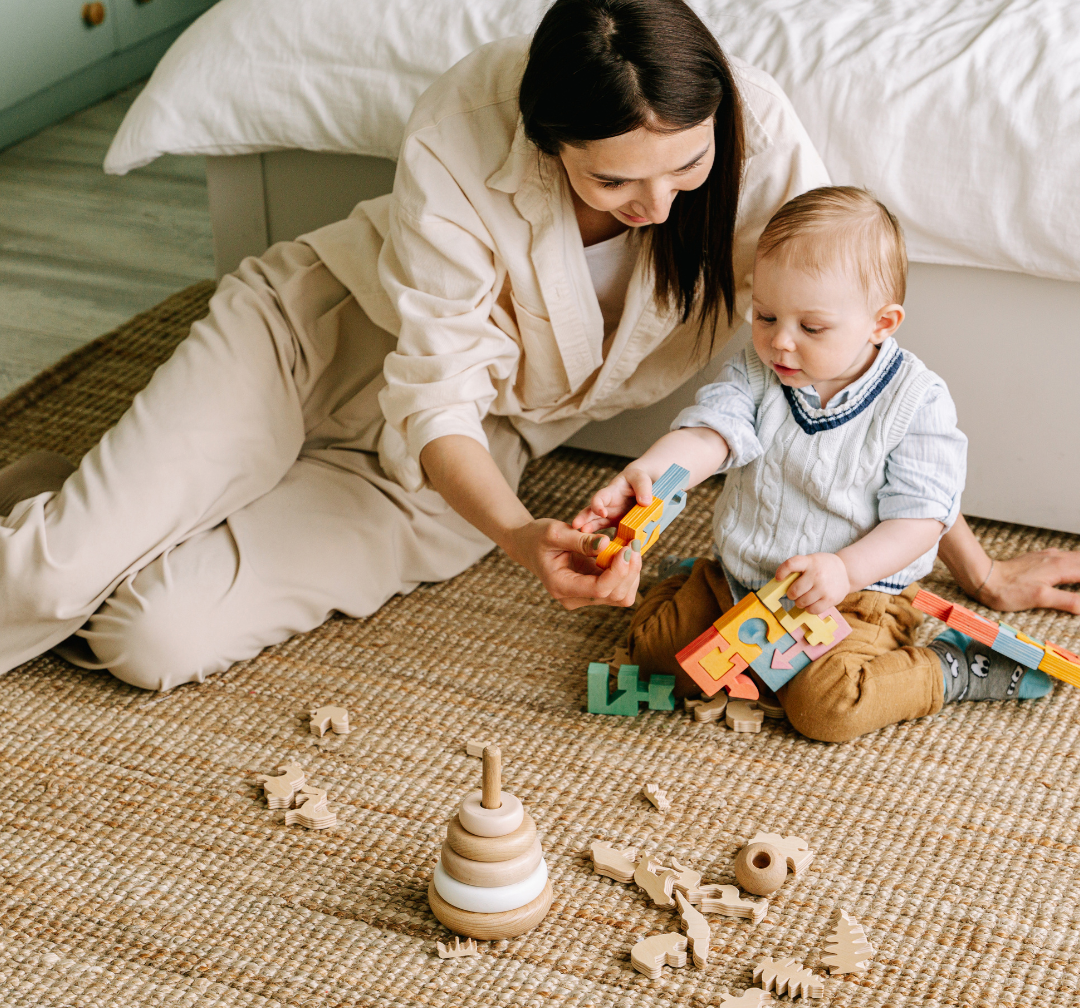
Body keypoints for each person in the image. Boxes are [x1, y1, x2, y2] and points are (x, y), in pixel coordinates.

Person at [0, 1, 1073, 692]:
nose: (657, 204)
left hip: (462, 460)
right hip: (314, 347)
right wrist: (520, 539)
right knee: (52, 578)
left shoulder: (756, 147)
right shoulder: (464, 125)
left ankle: (92, 496)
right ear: (548, 139)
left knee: (150, 642)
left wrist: (982, 575)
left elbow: (875, 392)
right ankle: (98, 517)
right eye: (613, 179)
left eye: (684, 169)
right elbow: (434, 399)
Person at [575, 187, 1057, 742]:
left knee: (827, 709)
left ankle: (947, 670)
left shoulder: (916, 402)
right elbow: (711, 434)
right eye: (765, 314)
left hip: (859, 594)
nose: (780, 341)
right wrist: (653, 469)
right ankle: (689, 581)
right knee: (656, 658)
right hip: (743, 579)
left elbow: (923, 520)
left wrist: (846, 570)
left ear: (882, 323)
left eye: (812, 327)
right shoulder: (757, 374)